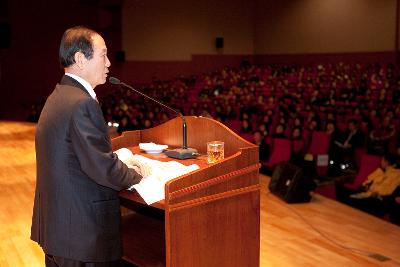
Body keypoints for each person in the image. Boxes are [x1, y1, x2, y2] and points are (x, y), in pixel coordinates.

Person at [31, 26, 144, 267]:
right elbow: (102, 168)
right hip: (81, 234)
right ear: (81, 59)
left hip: (61, 229)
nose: (109, 62)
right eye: (103, 54)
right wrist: (139, 175)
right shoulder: (81, 103)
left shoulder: (60, 95)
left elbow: (77, 156)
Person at [336, 153, 400, 218]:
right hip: (368, 193)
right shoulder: (381, 171)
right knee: (343, 191)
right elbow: (368, 180)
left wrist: (371, 191)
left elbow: (388, 190)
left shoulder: (396, 174)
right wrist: (365, 186)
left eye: (382, 160)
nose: (381, 162)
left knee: (351, 199)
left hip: (379, 199)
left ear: (387, 162)